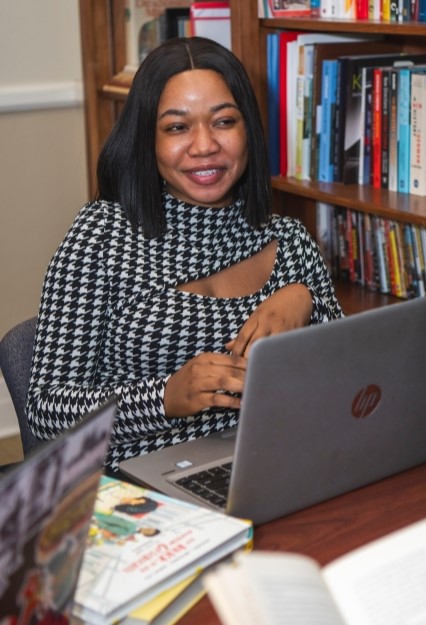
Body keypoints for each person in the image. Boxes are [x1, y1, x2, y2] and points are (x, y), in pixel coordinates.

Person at [26, 37, 343, 473]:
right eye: (177, 127)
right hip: (137, 484)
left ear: (247, 128)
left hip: (270, 462)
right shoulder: (101, 236)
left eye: (224, 122)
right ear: (148, 139)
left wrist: (307, 301)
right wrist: (163, 399)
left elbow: (346, 383)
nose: (204, 145)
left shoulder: (289, 242)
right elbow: (46, 411)